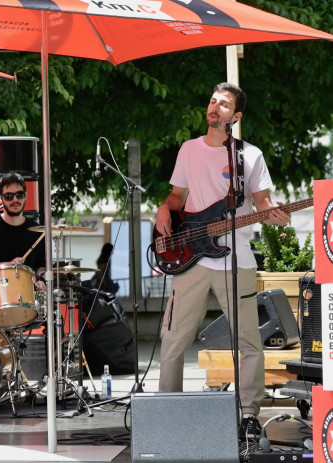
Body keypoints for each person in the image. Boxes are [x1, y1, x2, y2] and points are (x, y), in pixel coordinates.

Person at [154, 82, 290, 442]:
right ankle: (167, 411)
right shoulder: (188, 150)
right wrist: (163, 208)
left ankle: (248, 414)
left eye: (224, 104)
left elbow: (262, 201)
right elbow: (177, 196)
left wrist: (271, 213)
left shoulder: (251, 156)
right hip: (191, 261)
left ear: (236, 116)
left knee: (248, 342)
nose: (215, 107)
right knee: (172, 340)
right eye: (213, 101)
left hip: (238, 260)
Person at [0, 172, 46, 319]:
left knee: (54, 316)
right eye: (9, 196)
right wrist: (8, 266)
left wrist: (42, 280)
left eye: (19, 195)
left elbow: (41, 267)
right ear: (1, 198)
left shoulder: (37, 231)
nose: (15, 200)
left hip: (27, 298)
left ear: (25, 195)